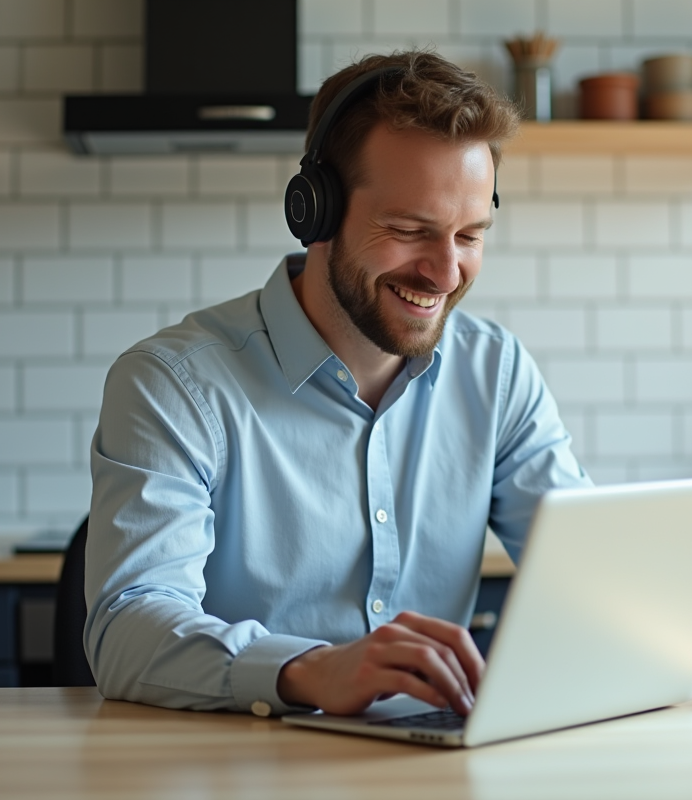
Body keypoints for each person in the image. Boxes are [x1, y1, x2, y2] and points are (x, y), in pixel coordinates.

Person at [85, 50, 592, 719]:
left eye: (470, 235)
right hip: (242, 766)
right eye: (410, 231)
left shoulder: (495, 372)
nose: (445, 274)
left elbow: (586, 573)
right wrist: (309, 669)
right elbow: (127, 632)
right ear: (315, 211)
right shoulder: (174, 385)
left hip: (436, 772)